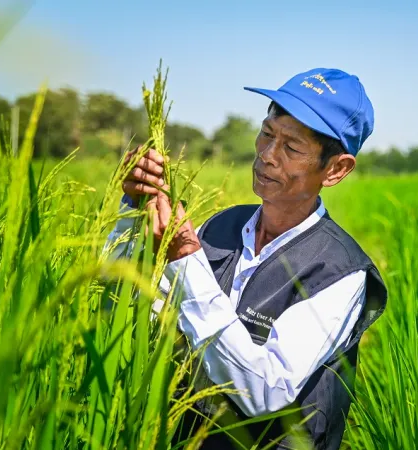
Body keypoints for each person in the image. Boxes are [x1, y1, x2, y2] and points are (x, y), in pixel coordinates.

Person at [104, 68, 388, 449]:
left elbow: (266, 391)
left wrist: (186, 258)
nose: (267, 156)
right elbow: (133, 303)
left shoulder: (339, 272)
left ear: (336, 169)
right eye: (267, 134)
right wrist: (135, 212)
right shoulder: (221, 227)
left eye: (291, 148)